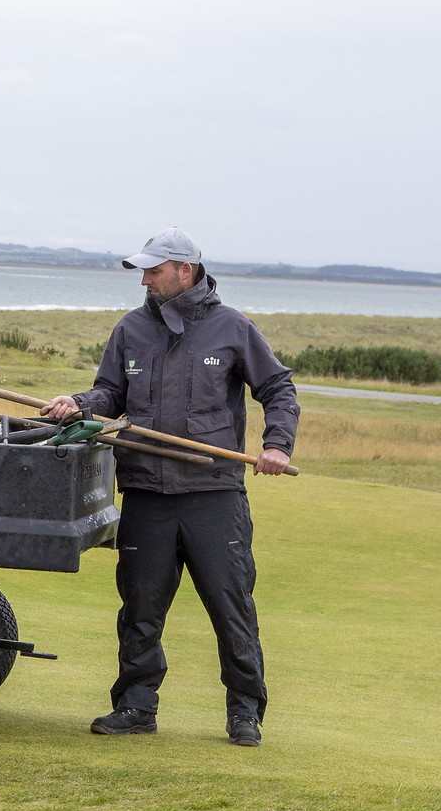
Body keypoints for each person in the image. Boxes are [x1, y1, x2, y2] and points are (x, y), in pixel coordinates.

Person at [41, 227, 297, 746]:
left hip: (214, 494)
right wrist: (78, 404)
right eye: (143, 272)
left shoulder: (233, 328)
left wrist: (277, 445)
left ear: (186, 270)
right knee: (139, 608)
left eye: (153, 272)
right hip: (145, 492)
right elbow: (109, 392)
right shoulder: (132, 329)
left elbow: (277, 388)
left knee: (231, 608)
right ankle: (136, 706)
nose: (145, 282)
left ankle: (244, 712)